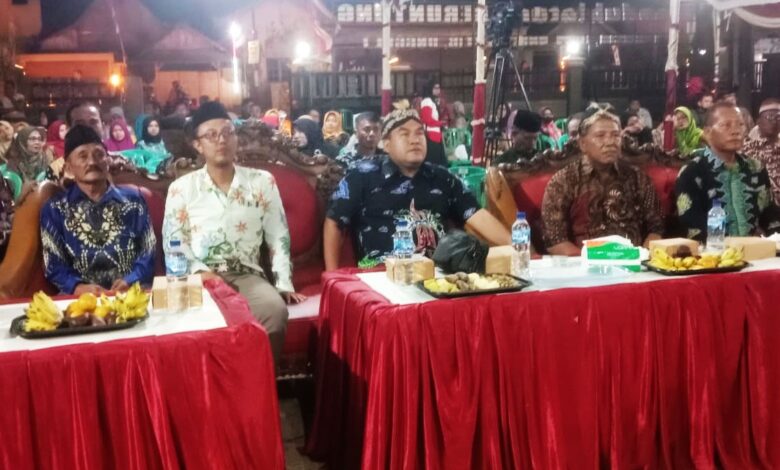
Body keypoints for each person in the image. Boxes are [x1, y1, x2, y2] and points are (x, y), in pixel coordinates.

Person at [162, 101, 305, 362]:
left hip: (245, 275)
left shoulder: (261, 182)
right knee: (189, 327)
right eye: (211, 135)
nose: (221, 140)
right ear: (198, 145)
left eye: (228, 132)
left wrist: (283, 283)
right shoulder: (181, 189)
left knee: (274, 312)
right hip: (199, 279)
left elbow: (278, 235)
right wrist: (200, 272)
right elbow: (174, 243)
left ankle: (258, 384)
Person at [323, 108, 511, 267]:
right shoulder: (362, 175)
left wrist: (517, 247)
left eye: (420, 133)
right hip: (380, 275)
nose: (415, 140)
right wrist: (332, 277)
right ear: (387, 144)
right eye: (404, 134)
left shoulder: (442, 177)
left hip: (437, 275)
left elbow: (477, 216)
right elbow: (334, 222)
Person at [40, 125, 155, 295]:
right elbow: (53, 263)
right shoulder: (55, 208)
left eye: (99, 154)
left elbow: (148, 249)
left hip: (131, 292)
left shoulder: (133, 200)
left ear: (108, 161)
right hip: (80, 299)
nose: (92, 162)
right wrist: (77, 287)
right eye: (83, 156)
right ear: (69, 167)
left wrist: (129, 280)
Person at [541, 108, 664, 255]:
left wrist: (641, 257)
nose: (610, 142)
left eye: (616, 135)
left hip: (634, 261)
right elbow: (554, 240)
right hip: (583, 264)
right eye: (600, 136)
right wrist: (592, 260)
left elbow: (657, 228)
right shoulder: (564, 181)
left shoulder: (637, 177)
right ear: (582, 144)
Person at [676, 102, 780, 243]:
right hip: (710, 253)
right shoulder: (692, 172)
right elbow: (692, 226)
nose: (736, 131)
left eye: (740, 125)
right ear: (707, 132)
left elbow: (770, 215)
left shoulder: (756, 168)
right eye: (726, 125)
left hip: (755, 250)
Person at [743, 99, 780, 204]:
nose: (774, 121)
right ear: (758, 121)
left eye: (778, 117)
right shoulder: (746, 149)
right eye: (769, 117)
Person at [3, 126, 52, 202]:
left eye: (39, 139)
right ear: (22, 142)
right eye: (32, 139)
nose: (37, 142)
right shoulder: (10, 167)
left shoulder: (45, 162)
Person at [419, 81, 448, 166]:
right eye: (435, 88)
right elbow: (427, 120)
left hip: (435, 136)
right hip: (431, 136)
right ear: (430, 89)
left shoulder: (432, 101)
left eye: (439, 88)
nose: (438, 90)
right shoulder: (427, 101)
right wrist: (441, 123)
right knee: (434, 162)